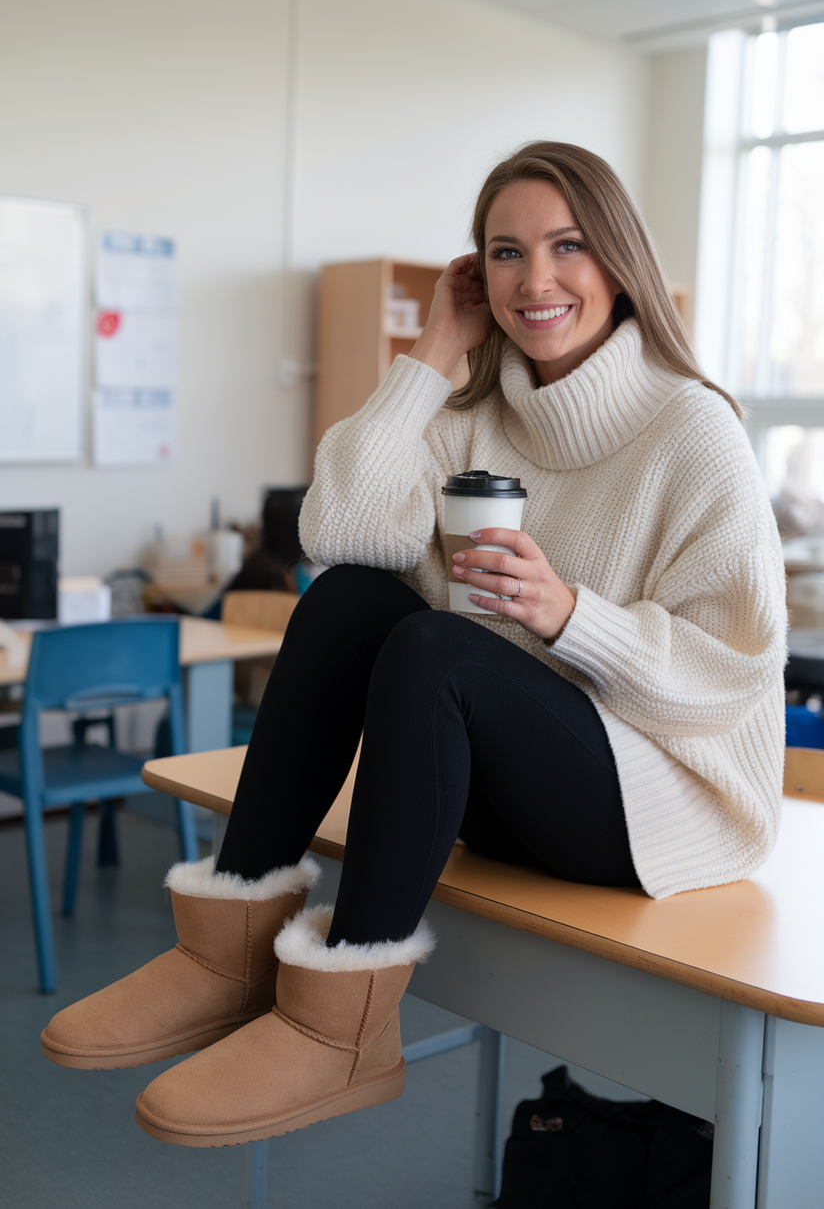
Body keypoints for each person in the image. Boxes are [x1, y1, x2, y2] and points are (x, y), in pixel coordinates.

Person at [42, 141, 786, 1149]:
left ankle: (343, 1024)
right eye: (505, 252)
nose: (536, 278)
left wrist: (571, 615)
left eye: (567, 246)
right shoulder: (480, 411)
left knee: (439, 647)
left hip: (660, 803)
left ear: (618, 261)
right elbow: (337, 532)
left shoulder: (690, 432)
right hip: (515, 778)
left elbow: (731, 674)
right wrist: (435, 352)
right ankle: (228, 950)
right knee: (354, 597)